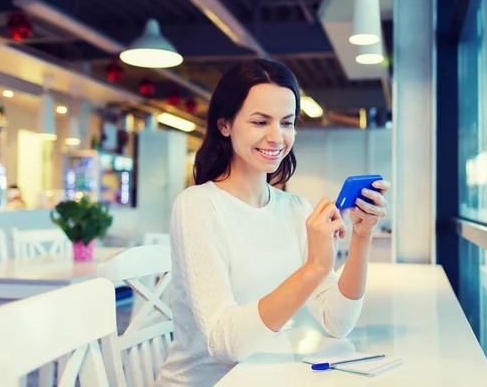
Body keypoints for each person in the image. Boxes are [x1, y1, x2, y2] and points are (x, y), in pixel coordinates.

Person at [155, 58, 390, 387]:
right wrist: (312, 268)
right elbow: (225, 345)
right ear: (224, 125)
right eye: (260, 121)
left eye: (286, 122)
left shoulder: (295, 209)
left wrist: (361, 236)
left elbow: (337, 323)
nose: (277, 137)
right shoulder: (197, 205)